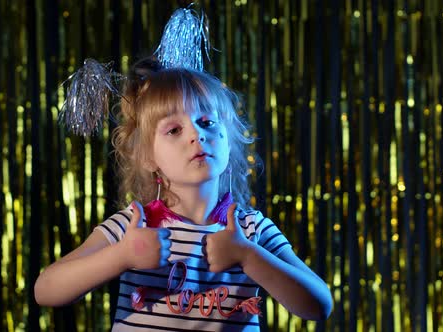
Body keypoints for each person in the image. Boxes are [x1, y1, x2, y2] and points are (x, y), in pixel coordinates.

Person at [34, 58, 333, 331]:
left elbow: (319, 305)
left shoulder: (251, 230)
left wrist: (247, 255)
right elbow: (45, 289)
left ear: (228, 142)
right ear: (148, 157)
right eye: (174, 130)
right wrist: (122, 255)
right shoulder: (134, 228)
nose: (196, 135)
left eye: (207, 122)